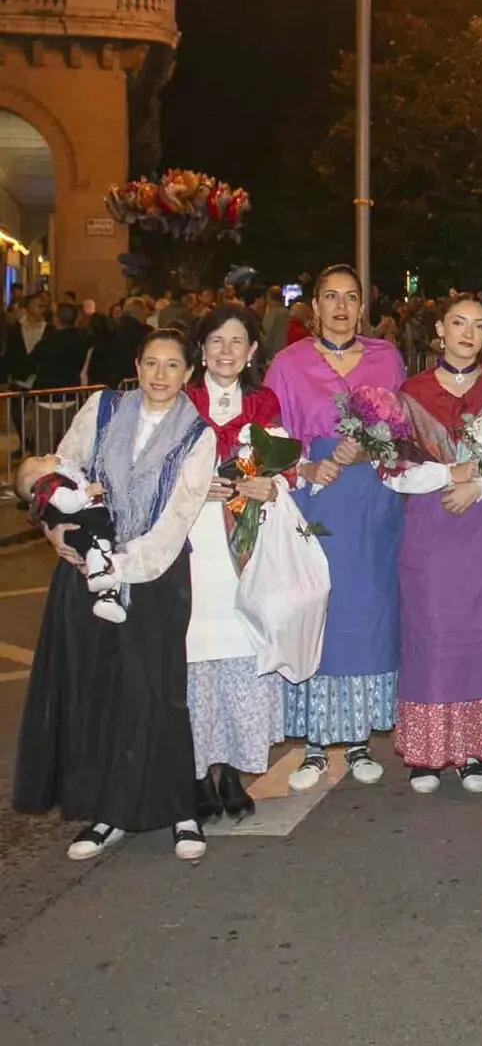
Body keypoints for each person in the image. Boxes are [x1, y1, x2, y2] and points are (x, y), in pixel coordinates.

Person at [12, 328, 217, 861]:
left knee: (158, 691)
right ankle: (108, 812)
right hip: (84, 566)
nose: (160, 375)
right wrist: (58, 530)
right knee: (100, 689)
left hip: (155, 575)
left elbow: (177, 518)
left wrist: (121, 566)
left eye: (173, 366)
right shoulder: (104, 407)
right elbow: (61, 468)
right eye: (151, 363)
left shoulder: (199, 434)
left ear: (189, 374)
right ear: (136, 364)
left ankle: (180, 810)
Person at [264, 264, 408, 792]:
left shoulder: (385, 357)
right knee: (313, 608)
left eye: (351, 298)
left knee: (364, 615)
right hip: (314, 502)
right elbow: (271, 437)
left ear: (362, 307)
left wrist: (370, 445)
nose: (341, 307)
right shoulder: (288, 363)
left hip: (371, 502)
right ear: (315, 307)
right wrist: (305, 465)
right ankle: (312, 746)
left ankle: (359, 742)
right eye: (331, 297)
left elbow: (402, 428)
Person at [387, 298, 482, 794]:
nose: (469, 332)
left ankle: (472, 750)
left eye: (479, 325)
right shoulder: (410, 392)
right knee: (430, 634)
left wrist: (480, 485)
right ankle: (427, 754)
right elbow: (393, 470)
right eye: (459, 323)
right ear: (440, 331)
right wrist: (454, 473)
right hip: (430, 524)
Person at [181, 306, 289, 822]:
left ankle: (232, 773)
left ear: (252, 352)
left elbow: (284, 468)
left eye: (237, 341)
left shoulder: (263, 402)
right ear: (201, 349)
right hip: (191, 546)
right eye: (216, 340)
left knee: (241, 653)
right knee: (194, 656)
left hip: (244, 546)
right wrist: (195, 490)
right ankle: (197, 773)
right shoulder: (182, 399)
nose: (226, 350)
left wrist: (271, 484)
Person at [15, 454, 124, 621]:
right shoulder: (49, 484)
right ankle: (97, 577)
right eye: (40, 460)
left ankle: (107, 597)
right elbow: (64, 503)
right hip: (89, 523)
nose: (48, 455)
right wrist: (51, 529)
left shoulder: (58, 474)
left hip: (106, 521)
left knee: (111, 559)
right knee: (102, 550)